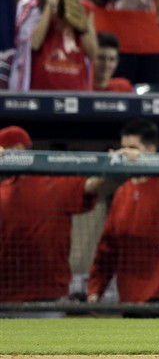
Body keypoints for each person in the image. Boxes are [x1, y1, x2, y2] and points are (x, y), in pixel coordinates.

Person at [0, 126, 109, 303]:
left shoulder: (54, 184)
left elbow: (90, 185)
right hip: (6, 295)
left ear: (18, 149)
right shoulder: (3, 190)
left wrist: (114, 160)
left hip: (48, 295)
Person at [87, 119, 159, 303]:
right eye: (122, 148)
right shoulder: (122, 192)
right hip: (130, 298)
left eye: (132, 148)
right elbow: (107, 248)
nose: (124, 154)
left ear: (151, 150)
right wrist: (95, 289)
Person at [10, 0, 98, 91]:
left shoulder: (83, 7)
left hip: (75, 86)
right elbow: (33, 44)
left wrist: (82, 28)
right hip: (40, 88)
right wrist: (50, 6)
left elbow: (93, 53)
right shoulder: (29, 5)